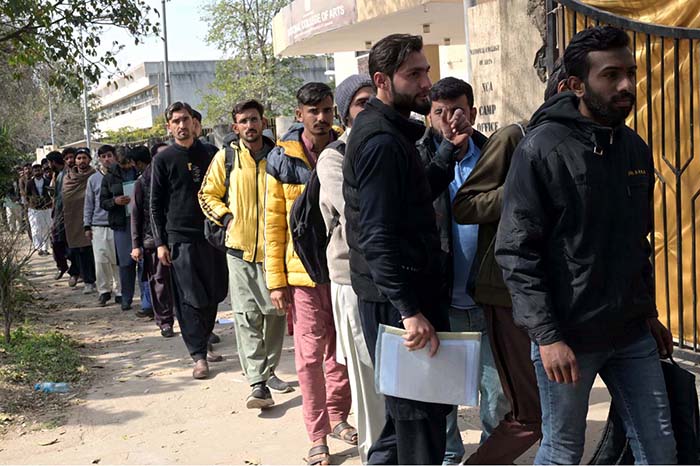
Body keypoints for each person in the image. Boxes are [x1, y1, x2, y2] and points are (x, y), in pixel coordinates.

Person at [495, 26, 676, 465]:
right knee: (562, 450)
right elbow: (517, 253)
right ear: (576, 85)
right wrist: (548, 337)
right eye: (610, 75)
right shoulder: (541, 149)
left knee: (660, 448)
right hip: (568, 338)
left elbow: (637, 242)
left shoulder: (633, 147)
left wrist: (648, 313)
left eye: (630, 73)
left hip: (631, 333)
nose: (627, 86)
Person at [342, 33, 474, 464]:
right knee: (421, 429)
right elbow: (375, 236)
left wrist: (449, 154)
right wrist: (409, 311)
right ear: (382, 80)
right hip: (399, 302)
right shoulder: (381, 141)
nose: (425, 83)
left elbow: (412, 201)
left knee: (405, 426)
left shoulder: (395, 133)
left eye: (426, 71)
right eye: (413, 74)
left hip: (404, 297)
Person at [451, 61, 569, 465]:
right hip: (507, 292)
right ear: (568, 87)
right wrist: (523, 191)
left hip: (564, 296)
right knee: (527, 414)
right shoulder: (514, 138)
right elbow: (465, 204)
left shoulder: (593, 144)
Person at [415, 77, 508, 464]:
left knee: (498, 391)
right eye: (439, 112)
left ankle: (492, 453)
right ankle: (450, 455)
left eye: (457, 110)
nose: (450, 119)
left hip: (489, 296)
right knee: (446, 391)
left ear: (472, 112)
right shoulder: (418, 159)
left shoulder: (495, 155)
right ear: (429, 116)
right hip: (441, 297)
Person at [264, 82, 354, 465]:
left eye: (327, 110)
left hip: (341, 270)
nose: (321, 118)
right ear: (298, 114)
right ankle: (317, 435)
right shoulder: (281, 160)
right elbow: (273, 226)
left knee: (343, 353)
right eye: (313, 111)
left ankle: (339, 417)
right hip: (302, 277)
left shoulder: (346, 149)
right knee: (309, 357)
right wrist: (276, 282)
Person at [199, 99, 291, 408]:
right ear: (235, 127)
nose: (249, 126)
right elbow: (207, 193)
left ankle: (268, 370)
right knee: (246, 316)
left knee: (275, 316)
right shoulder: (225, 158)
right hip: (238, 250)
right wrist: (226, 217)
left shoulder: (280, 156)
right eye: (243, 121)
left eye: (254, 119)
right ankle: (258, 383)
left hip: (275, 251)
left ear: (263, 122)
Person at [316, 74, 385, 463]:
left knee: (396, 379)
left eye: (374, 98)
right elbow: (360, 216)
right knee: (369, 380)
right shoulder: (334, 157)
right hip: (354, 281)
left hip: (392, 281)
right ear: (345, 115)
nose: (371, 106)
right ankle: (375, 454)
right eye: (361, 102)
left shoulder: (392, 145)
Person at [151, 101, 228, 379]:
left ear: (194, 123)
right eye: (176, 121)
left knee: (214, 292)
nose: (182, 125)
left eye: (186, 119)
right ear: (169, 126)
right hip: (179, 239)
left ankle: (204, 339)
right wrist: (160, 242)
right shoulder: (163, 159)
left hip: (212, 235)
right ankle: (197, 355)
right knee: (189, 297)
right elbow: (155, 205)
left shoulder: (211, 154)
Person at [130, 143, 176, 337]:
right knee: (159, 282)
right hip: (152, 241)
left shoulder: (177, 176)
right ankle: (165, 321)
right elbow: (136, 215)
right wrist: (136, 245)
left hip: (179, 238)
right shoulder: (142, 183)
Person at [100, 147, 152, 313]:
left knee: (145, 262)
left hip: (142, 222)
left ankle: (147, 302)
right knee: (126, 263)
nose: (126, 166)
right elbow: (103, 202)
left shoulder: (140, 172)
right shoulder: (108, 178)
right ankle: (126, 298)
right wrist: (115, 201)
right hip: (122, 224)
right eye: (122, 163)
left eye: (128, 163)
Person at [85, 145, 122, 306]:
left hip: (118, 224)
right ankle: (104, 291)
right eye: (103, 156)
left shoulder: (121, 175)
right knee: (100, 260)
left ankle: (120, 291)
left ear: (115, 157)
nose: (107, 159)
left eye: (109, 155)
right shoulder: (93, 179)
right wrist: (87, 225)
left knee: (118, 260)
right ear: (99, 159)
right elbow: (89, 203)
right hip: (98, 225)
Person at [62, 148, 97, 294]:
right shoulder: (68, 178)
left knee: (94, 252)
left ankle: (96, 279)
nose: (81, 161)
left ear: (89, 160)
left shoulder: (96, 176)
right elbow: (66, 197)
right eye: (79, 158)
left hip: (94, 219)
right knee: (80, 251)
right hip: (74, 220)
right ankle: (88, 281)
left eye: (84, 158)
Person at [25, 163, 53, 255]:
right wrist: (32, 203)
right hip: (34, 209)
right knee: (36, 229)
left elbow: (51, 193)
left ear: (42, 170)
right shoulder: (29, 183)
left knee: (46, 228)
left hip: (46, 208)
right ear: (33, 172)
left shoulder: (47, 181)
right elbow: (27, 195)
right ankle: (38, 248)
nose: (37, 172)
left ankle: (45, 248)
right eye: (35, 170)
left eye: (39, 170)